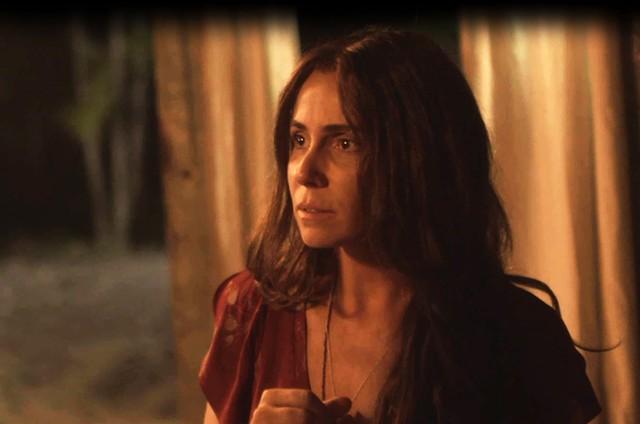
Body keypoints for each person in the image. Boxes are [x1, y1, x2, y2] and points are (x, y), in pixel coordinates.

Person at [199, 27, 602, 423]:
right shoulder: (252, 312)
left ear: (417, 158)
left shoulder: (517, 337)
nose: (305, 172)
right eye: (299, 140)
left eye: (344, 143)